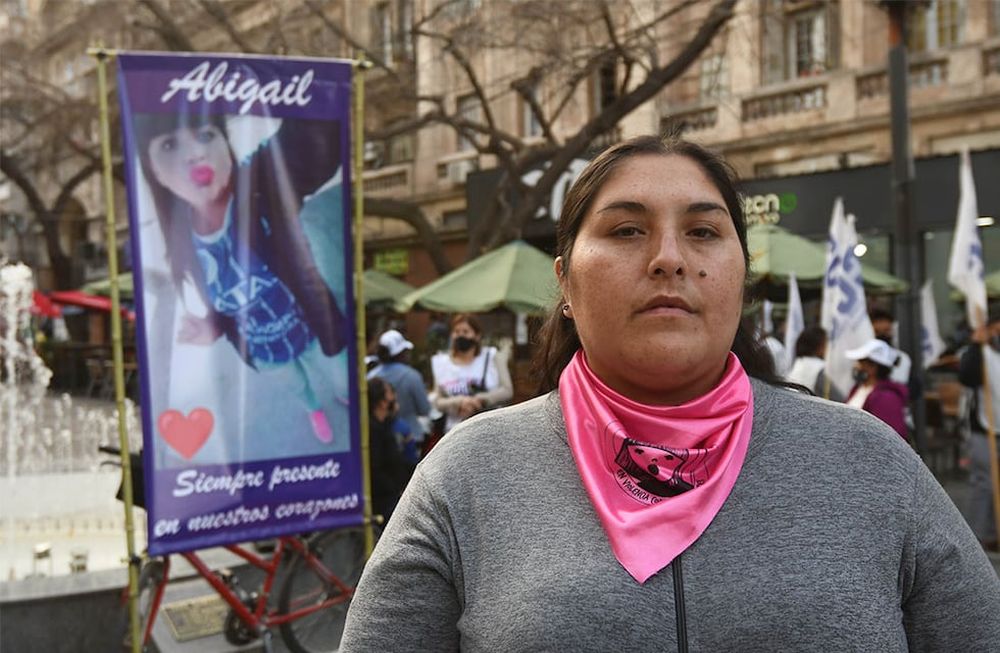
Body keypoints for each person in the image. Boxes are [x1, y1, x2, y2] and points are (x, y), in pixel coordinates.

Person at [341, 136, 1000, 651]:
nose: (669, 258)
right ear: (565, 282)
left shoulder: (868, 459)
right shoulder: (465, 475)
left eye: (704, 231)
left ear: (741, 274)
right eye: (627, 230)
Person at [135, 112, 349, 450]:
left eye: (206, 135)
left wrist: (303, 94)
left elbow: (311, 139)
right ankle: (314, 410)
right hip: (264, 349)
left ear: (226, 144)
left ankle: (342, 397)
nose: (195, 154)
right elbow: (224, 301)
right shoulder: (181, 241)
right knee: (299, 388)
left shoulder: (261, 183)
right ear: (155, 172)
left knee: (342, 378)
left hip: (310, 325)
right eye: (170, 145)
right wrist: (215, 326)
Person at [958, 303, 1000, 552]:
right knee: (983, 483)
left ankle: (995, 534)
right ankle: (975, 537)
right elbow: (967, 377)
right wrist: (976, 344)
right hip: (984, 429)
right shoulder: (978, 354)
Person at [430, 313, 512, 434]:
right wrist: (459, 402)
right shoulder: (441, 363)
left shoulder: (492, 357)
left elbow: (507, 390)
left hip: (490, 429)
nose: (460, 335)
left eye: (466, 331)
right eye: (457, 331)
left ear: (477, 335)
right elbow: (437, 400)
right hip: (454, 431)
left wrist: (481, 400)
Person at [368, 329, 432, 461]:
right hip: (411, 440)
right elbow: (424, 409)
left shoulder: (370, 377)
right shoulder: (412, 376)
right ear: (401, 353)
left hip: (378, 441)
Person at [366, 377, 415, 522]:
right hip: (386, 501)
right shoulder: (373, 430)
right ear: (382, 402)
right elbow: (375, 469)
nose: (394, 397)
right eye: (390, 393)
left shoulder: (386, 425)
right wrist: (396, 489)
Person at [844, 338, 910, 440]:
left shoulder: (887, 398)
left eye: (860, 362)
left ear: (873, 367)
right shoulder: (857, 389)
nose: (856, 366)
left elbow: (888, 438)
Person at [786, 325, 843, 401]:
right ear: (819, 346)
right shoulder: (819, 368)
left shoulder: (797, 363)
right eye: (826, 343)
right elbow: (838, 398)